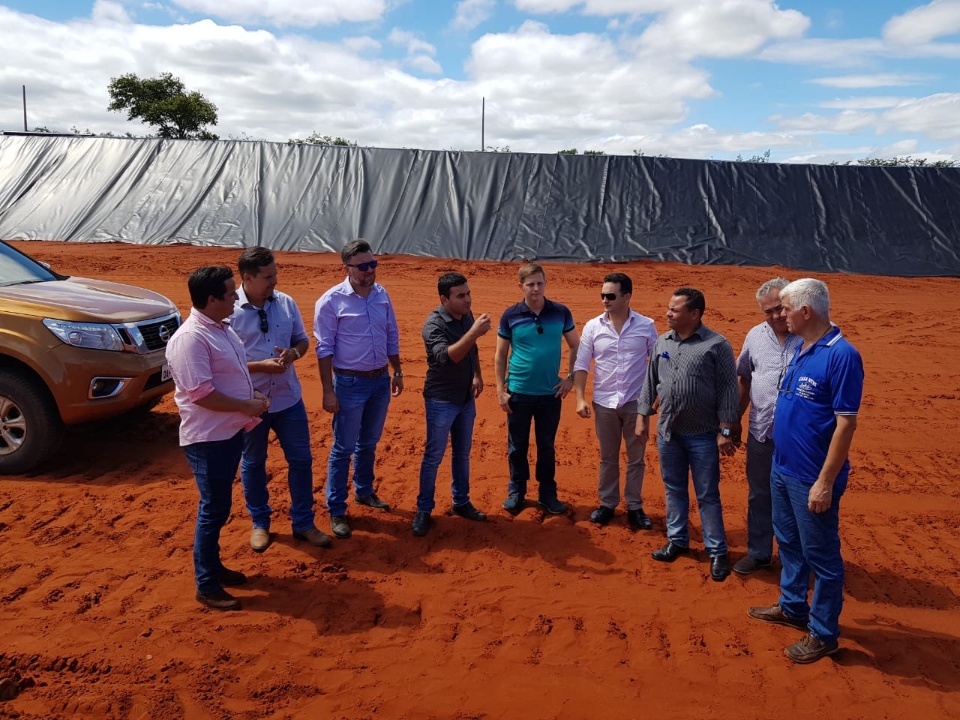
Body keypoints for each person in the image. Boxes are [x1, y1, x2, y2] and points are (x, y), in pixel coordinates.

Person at [748, 278, 863, 664]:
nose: (780, 316)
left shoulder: (842, 355)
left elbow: (845, 424)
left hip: (811, 478)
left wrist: (825, 482)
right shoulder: (803, 349)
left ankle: (824, 632)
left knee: (823, 557)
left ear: (805, 311)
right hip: (782, 467)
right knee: (790, 543)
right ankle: (793, 607)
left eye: (784, 309)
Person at [166, 266, 270, 611]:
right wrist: (247, 404)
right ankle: (206, 585)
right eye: (230, 293)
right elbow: (202, 394)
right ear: (212, 299)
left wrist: (250, 394)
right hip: (208, 440)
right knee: (213, 510)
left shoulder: (220, 329)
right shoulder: (190, 339)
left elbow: (231, 374)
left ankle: (214, 569)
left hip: (227, 433)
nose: (236, 297)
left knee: (220, 506)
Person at [231, 247, 331, 553]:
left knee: (301, 460)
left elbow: (302, 340)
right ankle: (260, 523)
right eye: (267, 277)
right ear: (247, 278)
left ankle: (303, 523)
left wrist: (294, 353)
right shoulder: (228, 311)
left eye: (275, 274)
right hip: (252, 402)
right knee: (254, 462)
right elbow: (223, 363)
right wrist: (260, 367)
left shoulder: (285, 302)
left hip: (289, 399)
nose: (274, 281)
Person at [636, 287, 739, 582]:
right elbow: (650, 380)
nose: (668, 313)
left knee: (707, 494)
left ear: (694, 314)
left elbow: (729, 390)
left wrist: (726, 430)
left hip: (704, 435)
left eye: (675, 310)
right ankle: (677, 541)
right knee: (673, 488)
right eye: (669, 308)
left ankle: (717, 551)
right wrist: (643, 416)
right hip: (668, 432)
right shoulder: (662, 341)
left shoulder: (716, 345)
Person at [314, 239, 403, 540]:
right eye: (363, 266)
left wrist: (398, 369)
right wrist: (328, 391)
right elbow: (324, 349)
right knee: (343, 448)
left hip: (379, 381)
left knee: (369, 443)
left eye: (373, 264)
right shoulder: (331, 301)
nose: (370, 271)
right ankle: (336, 509)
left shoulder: (382, 295)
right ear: (347, 268)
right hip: (349, 384)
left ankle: (364, 492)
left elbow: (391, 333)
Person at [573, 272, 658, 530]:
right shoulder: (592, 327)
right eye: (602, 295)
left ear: (627, 297)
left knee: (636, 458)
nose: (605, 301)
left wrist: (653, 401)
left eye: (610, 296)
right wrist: (579, 398)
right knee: (608, 457)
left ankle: (634, 506)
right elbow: (581, 363)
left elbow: (657, 365)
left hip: (635, 402)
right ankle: (607, 504)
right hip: (604, 402)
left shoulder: (646, 325)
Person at [495, 262, 579, 516]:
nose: (535, 288)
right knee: (517, 445)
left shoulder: (561, 312)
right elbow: (500, 356)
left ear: (545, 283)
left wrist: (570, 378)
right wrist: (501, 390)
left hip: (549, 393)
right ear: (520, 286)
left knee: (546, 445)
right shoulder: (510, 315)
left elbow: (576, 345)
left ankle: (547, 493)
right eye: (530, 284)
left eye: (540, 283)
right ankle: (517, 491)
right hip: (518, 392)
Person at [412, 272, 491, 536]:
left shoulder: (466, 315)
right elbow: (447, 357)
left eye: (468, 294)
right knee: (433, 456)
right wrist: (473, 332)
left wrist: (478, 374)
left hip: (465, 399)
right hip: (441, 400)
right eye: (461, 296)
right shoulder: (433, 325)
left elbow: (473, 348)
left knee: (462, 454)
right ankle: (423, 510)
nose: (468, 300)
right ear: (445, 299)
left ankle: (461, 502)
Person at [733, 278, 801, 575]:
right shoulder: (756, 336)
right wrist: (733, 420)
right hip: (761, 433)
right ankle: (759, 552)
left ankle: (795, 560)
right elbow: (745, 378)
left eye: (779, 309)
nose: (775, 317)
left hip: (801, 440)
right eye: (767, 312)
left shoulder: (814, 336)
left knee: (798, 500)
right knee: (759, 494)